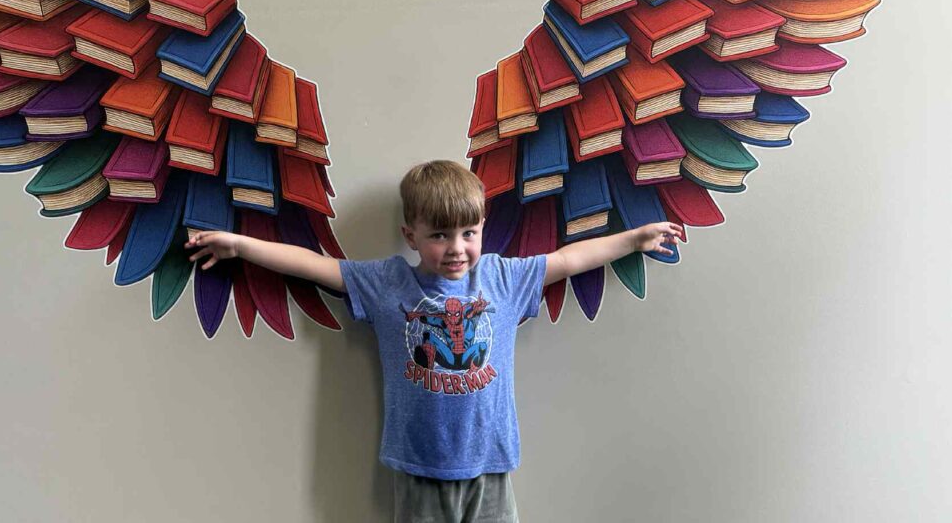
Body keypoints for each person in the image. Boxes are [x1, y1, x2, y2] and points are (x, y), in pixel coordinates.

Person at [185, 159, 681, 522]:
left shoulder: (502, 279)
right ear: (411, 235)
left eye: (468, 233)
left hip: (490, 465)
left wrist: (633, 240)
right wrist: (240, 245)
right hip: (420, 468)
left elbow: (569, 260)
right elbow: (314, 266)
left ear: (482, 229)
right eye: (440, 235)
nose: (456, 248)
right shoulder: (388, 285)